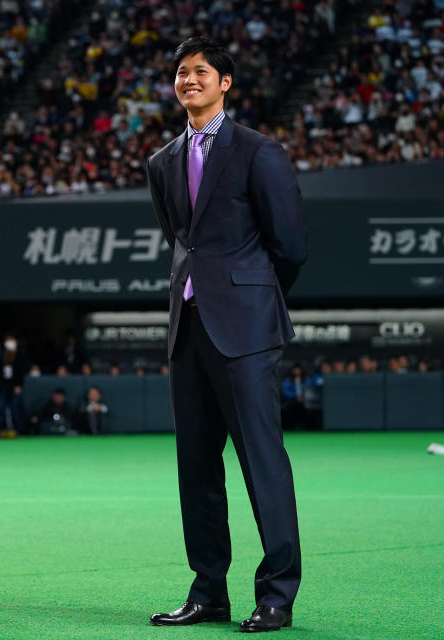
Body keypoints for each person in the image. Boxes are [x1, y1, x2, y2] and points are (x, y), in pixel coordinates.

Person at [145, 36, 307, 632]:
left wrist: (252, 296)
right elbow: (180, 241)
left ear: (225, 83)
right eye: (182, 72)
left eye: (202, 72)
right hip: (187, 330)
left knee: (262, 464)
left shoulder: (260, 152)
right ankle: (209, 590)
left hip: (246, 331)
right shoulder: (161, 162)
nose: (190, 80)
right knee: (196, 471)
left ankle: (277, 596)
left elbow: (290, 245)